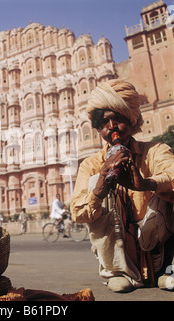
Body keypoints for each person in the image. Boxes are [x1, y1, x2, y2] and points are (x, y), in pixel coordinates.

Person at [71, 79, 174, 293]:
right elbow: (78, 212)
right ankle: (116, 272)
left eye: (117, 119)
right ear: (98, 128)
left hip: (158, 243)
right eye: (104, 123)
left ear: (130, 119)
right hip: (120, 249)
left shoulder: (155, 151)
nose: (112, 128)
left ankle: (167, 271)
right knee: (93, 185)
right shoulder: (91, 164)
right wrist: (101, 185)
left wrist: (145, 184)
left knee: (164, 186)